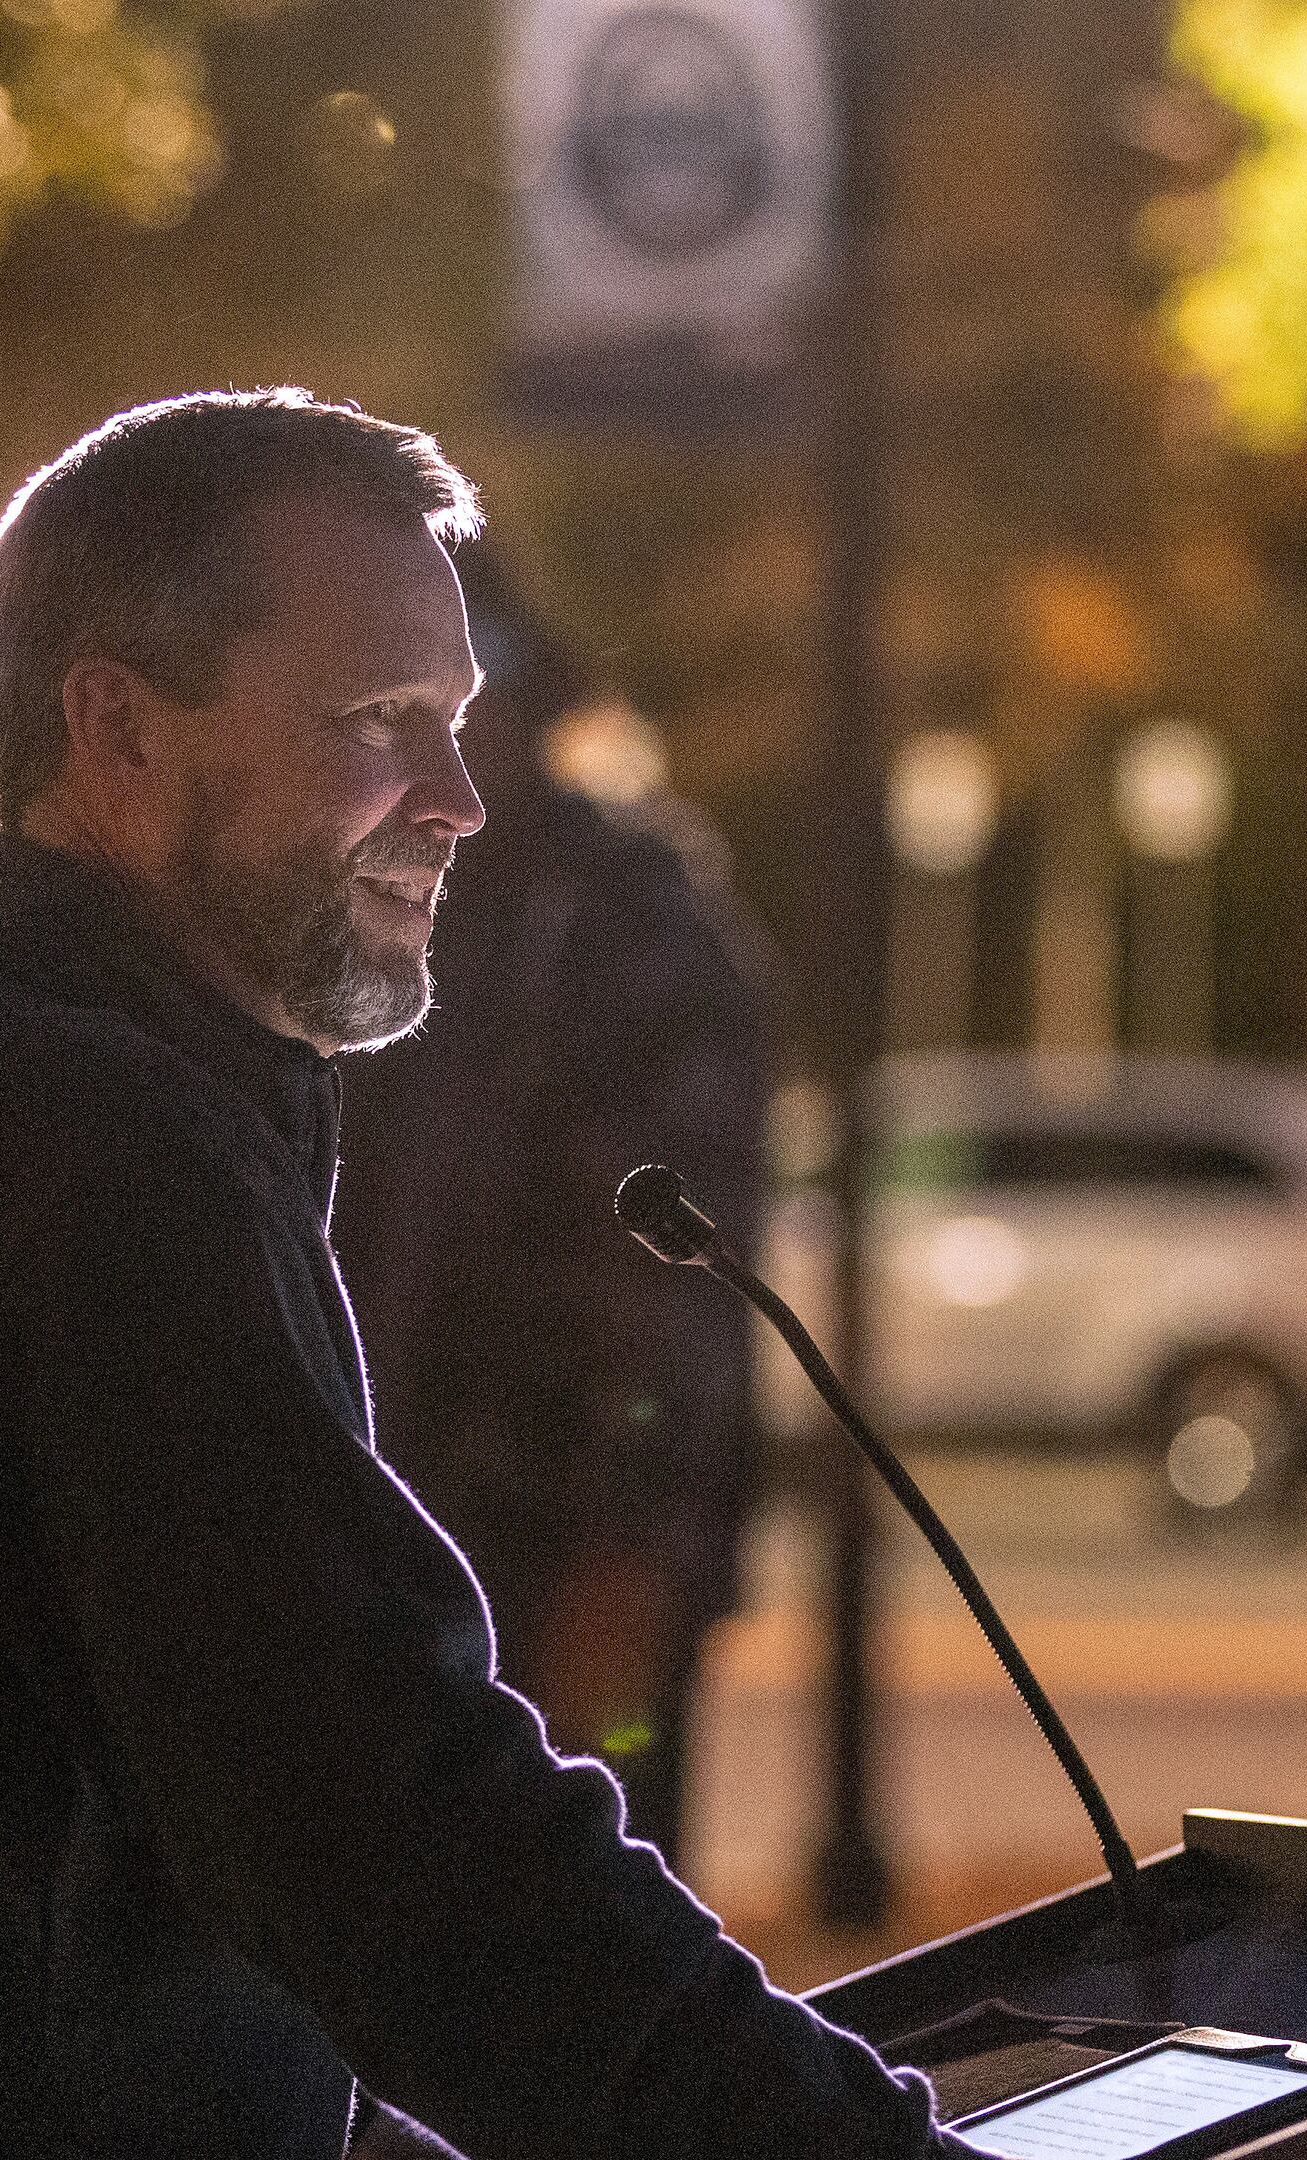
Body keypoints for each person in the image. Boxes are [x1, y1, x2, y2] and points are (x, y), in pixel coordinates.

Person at [0, 390, 960, 2159]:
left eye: (460, 721)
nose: (462, 800)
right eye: (377, 722)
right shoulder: (83, 1142)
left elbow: (182, 1863)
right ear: (115, 725)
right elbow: (386, 1827)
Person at [332, 540, 769, 1872]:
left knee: (589, 1932)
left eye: (461, 704)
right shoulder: (335, 914)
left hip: (558, 1559)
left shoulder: (625, 927)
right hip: (379, 1549)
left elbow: (669, 1290)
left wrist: (628, 1549)